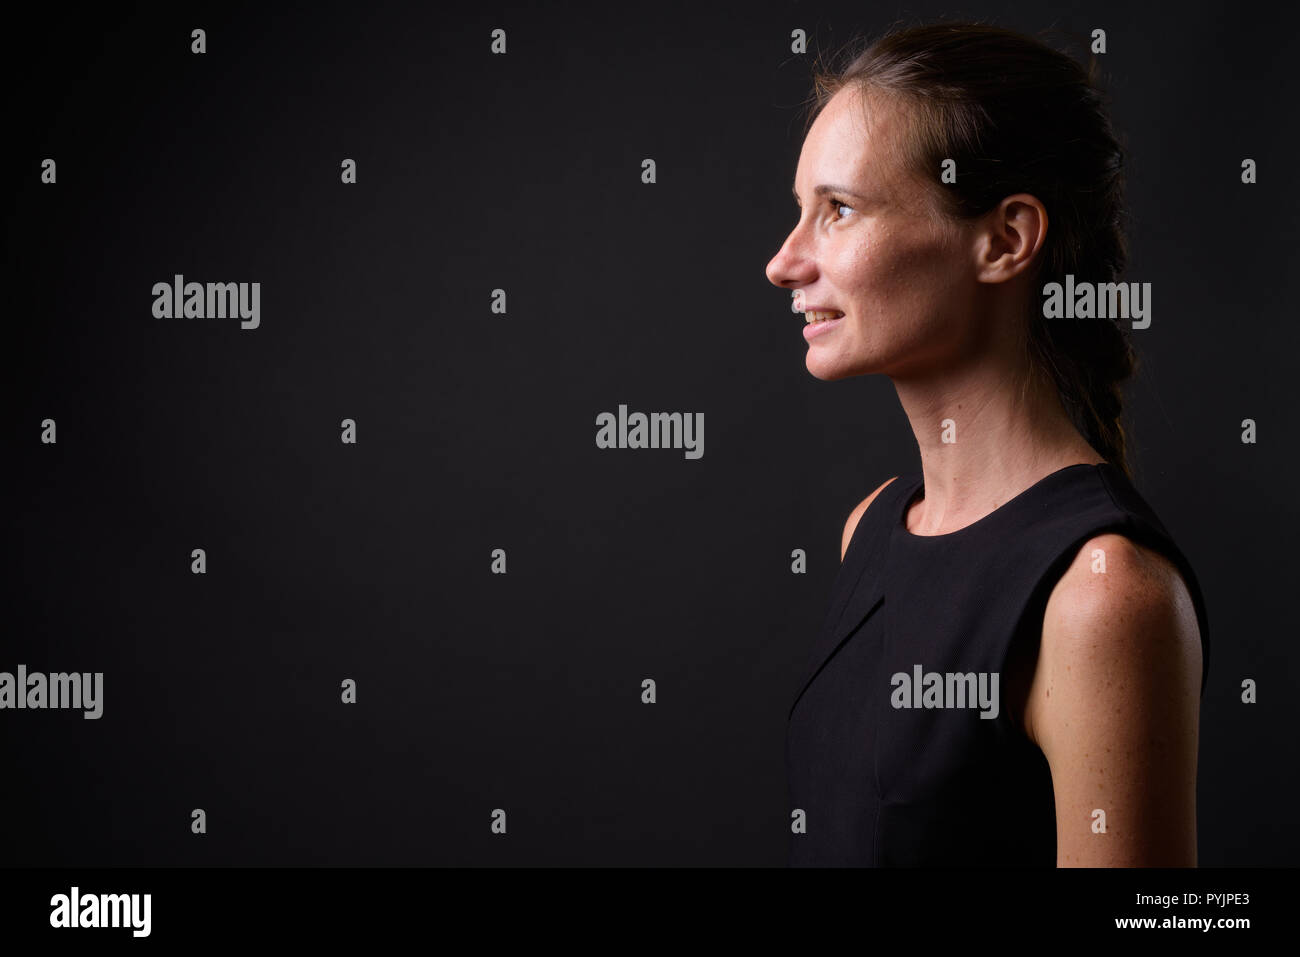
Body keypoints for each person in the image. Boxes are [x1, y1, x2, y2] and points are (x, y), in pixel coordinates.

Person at [765, 21, 1210, 866]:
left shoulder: (1101, 596)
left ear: (1006, 239)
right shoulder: (871, 530)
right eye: (801, 212)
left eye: (839, 211)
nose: (785, 262)